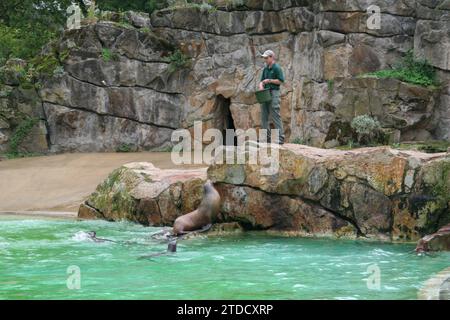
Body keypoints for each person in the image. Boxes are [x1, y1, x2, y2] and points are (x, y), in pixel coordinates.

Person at [258, 50, 285, 144]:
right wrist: (261, 86)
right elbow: (261, 81)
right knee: (264, 115)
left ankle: (280, 137)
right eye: (264, 58)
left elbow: (281, 81)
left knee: (275, 113)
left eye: (266, 58)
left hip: (274, 92)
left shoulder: (277, 68)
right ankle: (265, 138)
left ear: (272, 57)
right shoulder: (265, 69)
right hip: (265, 92)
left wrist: (269, 80)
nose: (265, 59)